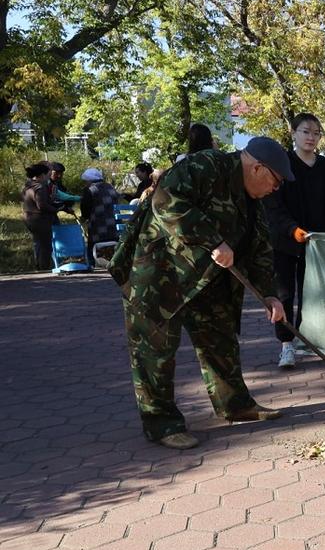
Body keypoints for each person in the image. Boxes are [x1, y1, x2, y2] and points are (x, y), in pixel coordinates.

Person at [107, 137, 292, 450]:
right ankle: (161, 423)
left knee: (221, 338)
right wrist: (212, 241)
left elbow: (260, 248)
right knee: (155, 350)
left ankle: (235, 405)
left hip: (208, 281)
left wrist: (270, 295)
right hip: (160, 273)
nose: (277, 188)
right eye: (276, 181)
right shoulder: (206, 165)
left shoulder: (253, 200)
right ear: (257, 167)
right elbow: (165, 200)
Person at [264, 112, 325, 370]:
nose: (311, 137)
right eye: (306, 131)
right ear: (293, 133)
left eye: (316, 133)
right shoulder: (283, 165)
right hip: (285, 242)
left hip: (317, 245)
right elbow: (273, 207)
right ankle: (286, 345)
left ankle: (304, 340)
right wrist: (292, 230)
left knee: (312, 295)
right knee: (284, 294)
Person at [21, 163, 60, 270]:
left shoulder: (28, 185)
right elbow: (42, 205)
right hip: (39, 219)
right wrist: (56, 209)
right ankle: (44, 268)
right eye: (48, 174)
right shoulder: (40, 187)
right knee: (45, 245)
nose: (49, 176)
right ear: (42, 175)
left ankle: (39, 265)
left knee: (38, 243)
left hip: (28, 217)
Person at [78, 168, 120, 265]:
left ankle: (91, 263)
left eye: (85, 181)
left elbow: (85, 208)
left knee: (91, 245)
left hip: (98, 228)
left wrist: (84, 218)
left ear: (89, 180)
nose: (85, 183)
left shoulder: (90, 190)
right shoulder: (110, 187)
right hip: (114, 226)